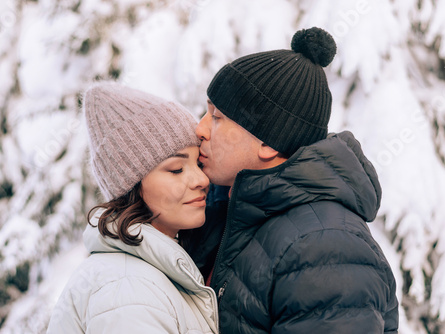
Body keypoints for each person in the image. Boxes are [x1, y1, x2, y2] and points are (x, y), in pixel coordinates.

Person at [189, 27, 399, 333]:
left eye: (218, 117)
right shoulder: (228, 212)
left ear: (269, 143)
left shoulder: (324, 247)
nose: (201, 129)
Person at [47, 83, 219, 334]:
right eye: (176, 169)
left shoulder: (140, 273)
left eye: (198, 164)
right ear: (131, 185)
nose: (202, 181)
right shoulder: (128, 288)